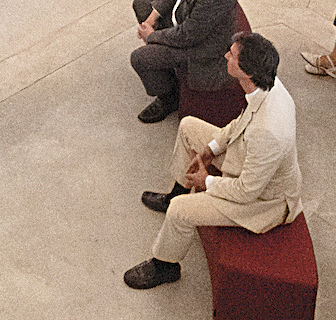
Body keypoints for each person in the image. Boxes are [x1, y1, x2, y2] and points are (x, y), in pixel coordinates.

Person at [125, 32, 301, 290]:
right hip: (249, 158)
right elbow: (241, 122)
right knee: (188, 127)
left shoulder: (269, 131)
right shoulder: (267, 85)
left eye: (232, 54)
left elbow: (247, 192)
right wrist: (211, 149)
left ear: (246, 71)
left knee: (180, 211)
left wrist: (206, 181)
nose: (226, 55)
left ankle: (166, 266)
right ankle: (177, 191)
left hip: (265, 202)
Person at [129, 0, 239, 124]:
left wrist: (151, 36)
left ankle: (169, 98)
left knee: (140, 58)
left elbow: (187, 36)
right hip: (188, 24)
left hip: (201, 49)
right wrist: (152, 18)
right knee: (142, 3)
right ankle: (163, 67)